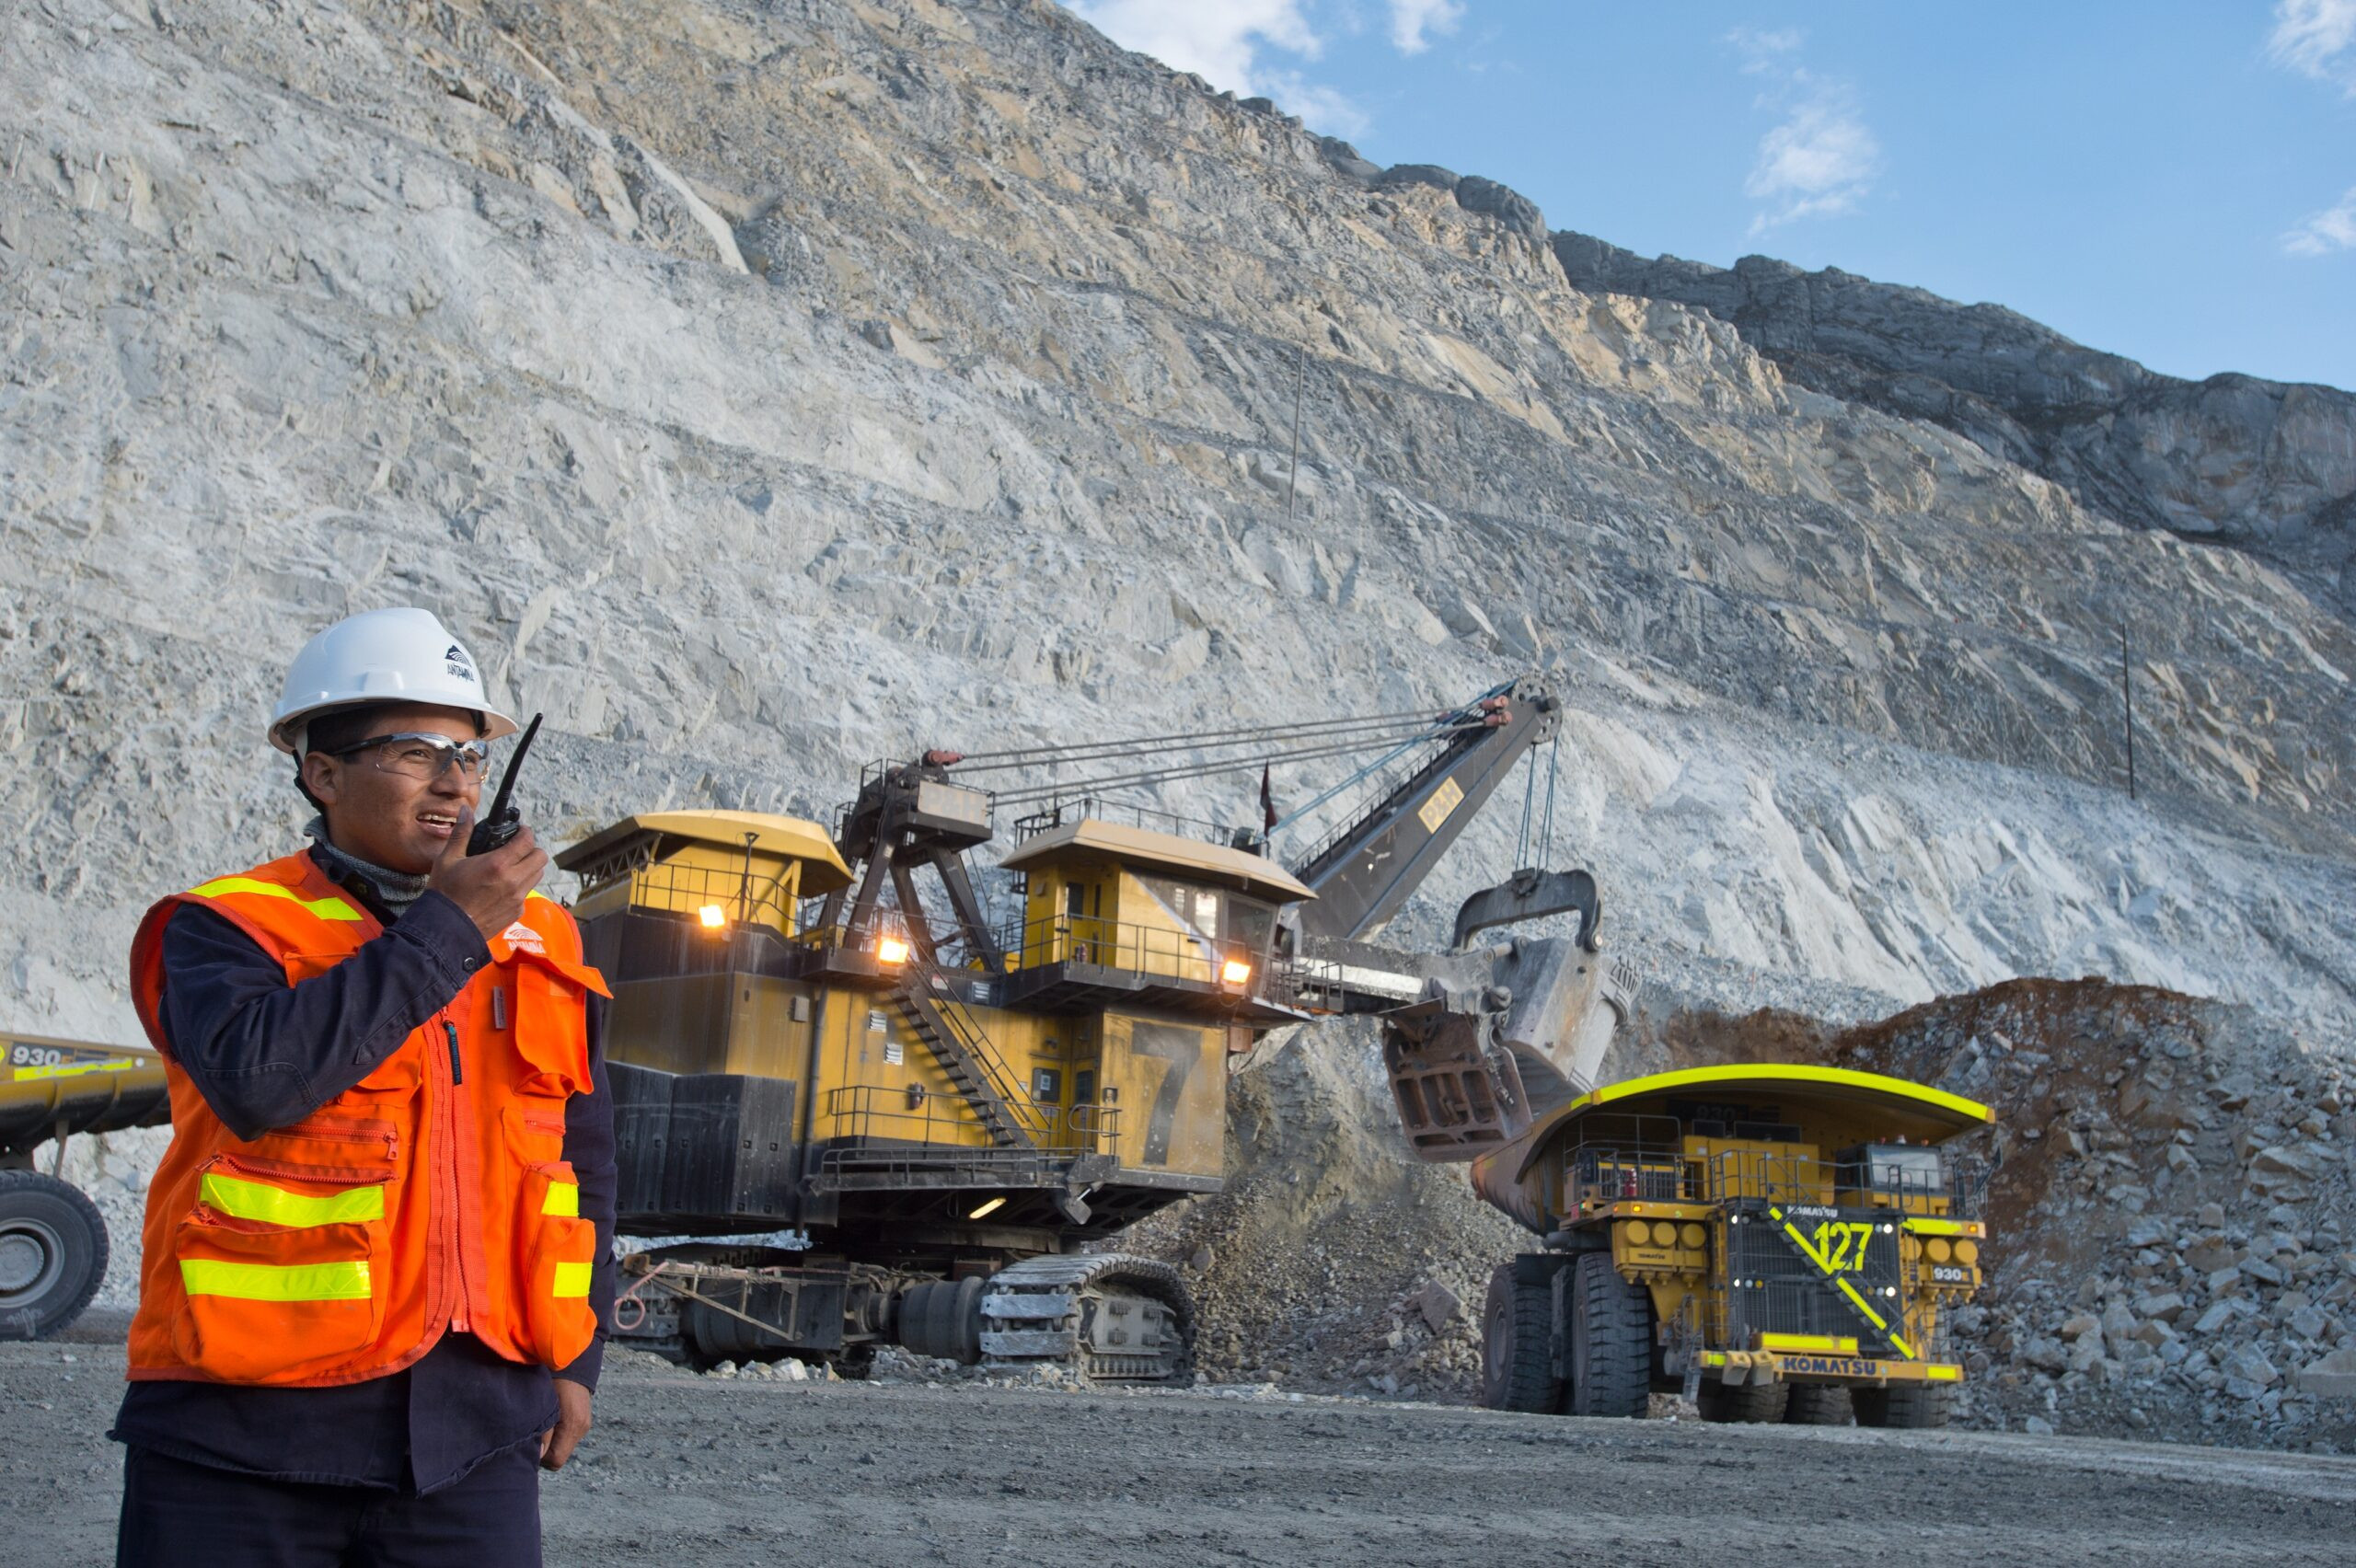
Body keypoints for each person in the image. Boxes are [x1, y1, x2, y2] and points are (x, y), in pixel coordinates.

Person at [111, 606, 616, 1568]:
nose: (453, 784)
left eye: (468, 757)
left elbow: (582, 1164)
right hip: (242, 1433)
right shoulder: (222, 928)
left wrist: (578, 1362)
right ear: (322, 772)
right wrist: (449, 931)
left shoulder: (546, 943)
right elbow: (263, 1082)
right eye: (415, 752)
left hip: (476, 1437)